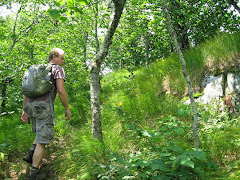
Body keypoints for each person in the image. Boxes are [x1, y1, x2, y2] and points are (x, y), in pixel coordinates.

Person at [21, 48, 72, 179]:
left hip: (31, 106)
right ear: (54, 57)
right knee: (42, 142)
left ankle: (30, 153)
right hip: (43, 107)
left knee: (40, 131)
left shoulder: (36, 69)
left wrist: (24, 109)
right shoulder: (57, 69)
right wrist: (67, 108)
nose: (63, 61)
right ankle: (33, 173)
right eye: (62, 58)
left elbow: (25, 91)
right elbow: (61, 90)